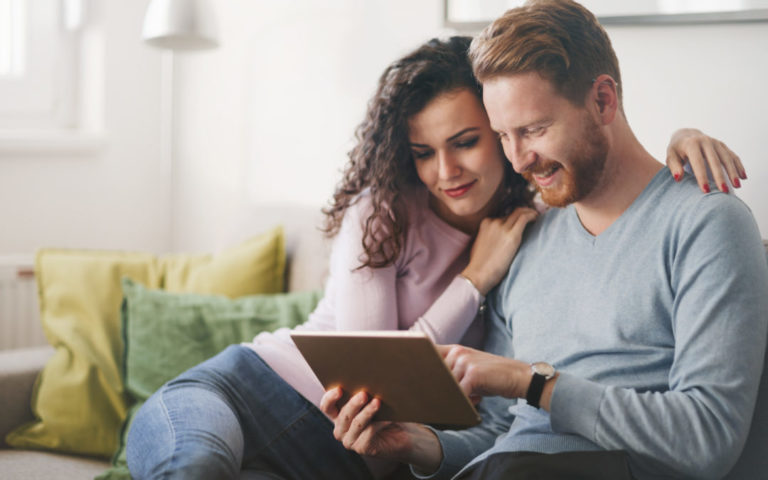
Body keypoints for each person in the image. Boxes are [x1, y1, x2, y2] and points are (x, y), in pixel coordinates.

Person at [126, 32, 744, 479]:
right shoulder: (393, 215)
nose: (445, 170)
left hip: (355, 449)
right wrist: (475, 282)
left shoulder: (537, 219)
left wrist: (683, 144)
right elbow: (382, 379)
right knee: (197, 465)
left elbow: (606, 165)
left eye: (475, 140)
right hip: (252, 388)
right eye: (425, 151)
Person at [321, 2, 768, 480]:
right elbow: (500, 431)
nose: (517, 160)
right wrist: (416, 443)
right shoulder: (528, 237)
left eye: (534, 130)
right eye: (502, 136)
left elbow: (708, 439)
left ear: (602, 101)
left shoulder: (705, 224)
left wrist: (532, 383)